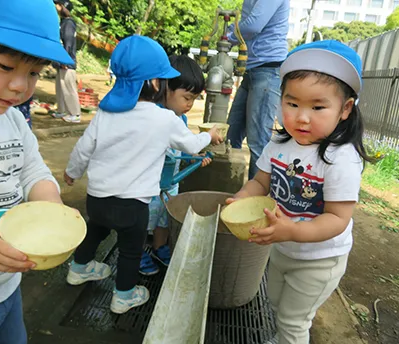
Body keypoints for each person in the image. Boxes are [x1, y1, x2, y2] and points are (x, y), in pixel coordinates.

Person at [63, 36, 223, 314]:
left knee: (95, 231)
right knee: (130, 250)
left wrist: (71, 172)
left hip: (98, 198)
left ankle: (79, 268)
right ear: (153, 83)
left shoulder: (105, 112)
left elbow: (83, 148)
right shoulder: (163, 119)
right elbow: (191, 144)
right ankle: (123, 295)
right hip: (132, 205)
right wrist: (209, 135)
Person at [227, 40, 372, 344]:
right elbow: (260, 182)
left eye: (318, 107)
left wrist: (292, 230)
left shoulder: (340, 158)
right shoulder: (279, 144)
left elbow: (337, 219)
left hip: (320, 258)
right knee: (278, 304)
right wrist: (242, 198)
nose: (302, 117)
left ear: (345, 109)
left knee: (294, 321)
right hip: (283, 247)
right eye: (292, 104)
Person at [0, 0, 74, 343]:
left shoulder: (12, 121)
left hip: (4, 290)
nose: (21, 86)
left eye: (34, 72)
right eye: (5, 66)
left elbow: (32, 169)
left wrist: (49, 201)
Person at [139, 55, 211, 275]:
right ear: (165, 87)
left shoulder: (181, 119)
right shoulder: (153, 116)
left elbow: (182, 148)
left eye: (194, 99)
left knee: (164, 216)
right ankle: (139, 251)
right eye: (186, 97)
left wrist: (194, 156)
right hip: (149, 184)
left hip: (171, 182)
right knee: (143, 220)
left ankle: (160, 247)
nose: (189, 104)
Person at [226, 0, 290, 179]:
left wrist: (229, 36)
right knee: (231, 136)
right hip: (252, 70)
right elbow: (245, 23)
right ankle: (229, 187)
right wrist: (230, 29)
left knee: (258, 142)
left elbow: (253, 25)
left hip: (268, 70)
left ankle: (254, 200)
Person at [51, 0, 81, 124]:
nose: (56, 7)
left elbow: (68, 43)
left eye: (58, 5)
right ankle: (62, 110)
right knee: (60, 87)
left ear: (63, 7)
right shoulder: (64, 22)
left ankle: (75, 114)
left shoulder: (68, 23)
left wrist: (64, 59)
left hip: (67, 62)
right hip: (61, 61)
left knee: (69, 88)